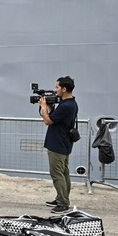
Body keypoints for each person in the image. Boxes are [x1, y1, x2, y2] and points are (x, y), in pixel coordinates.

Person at [40, 76, 78, 213]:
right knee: (64, 172)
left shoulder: (66, 106)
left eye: (57, 87)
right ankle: (61, 197)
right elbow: (55, 118)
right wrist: (50, 107)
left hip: (57, 144)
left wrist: (44, 107)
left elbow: (47, 121)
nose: (55, 90)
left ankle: (63, 203)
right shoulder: (70, 103)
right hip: (64, 143)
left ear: (64, 88)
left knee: (56, 174)